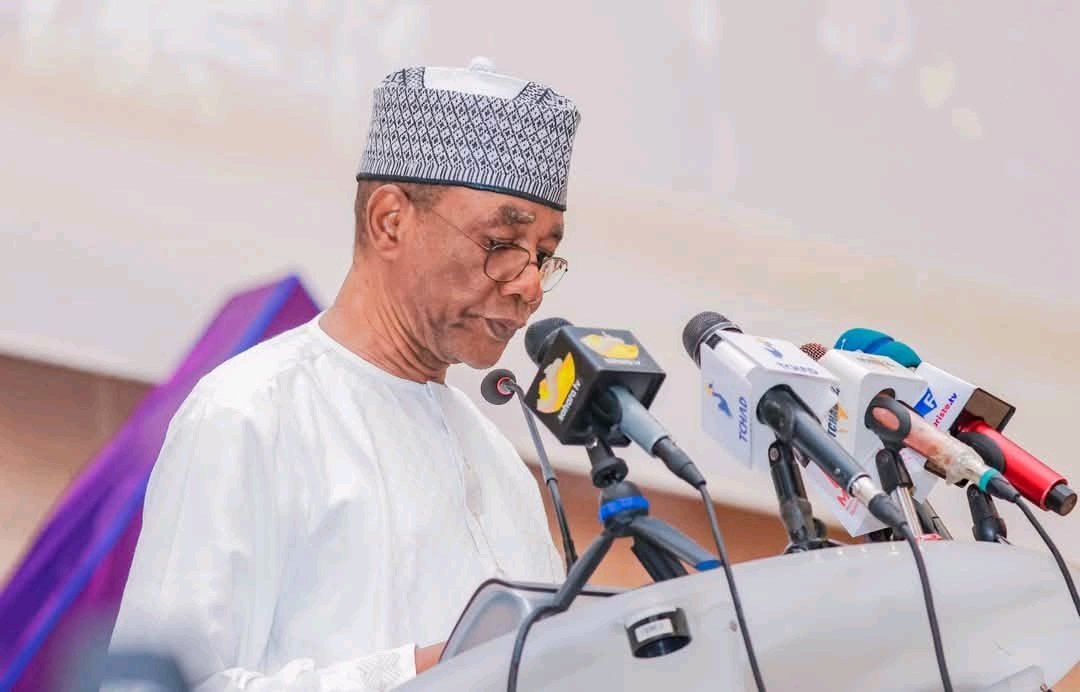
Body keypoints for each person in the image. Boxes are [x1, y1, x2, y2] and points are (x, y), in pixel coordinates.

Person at [109, 57, 582, 690]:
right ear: (390, 221)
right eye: (502, 245)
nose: (530, 287)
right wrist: (421, 675)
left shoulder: (499, 464)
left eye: (544, 256)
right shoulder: (251, 412)